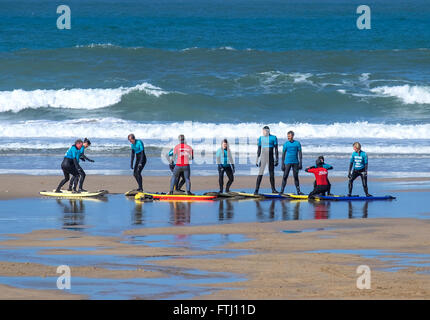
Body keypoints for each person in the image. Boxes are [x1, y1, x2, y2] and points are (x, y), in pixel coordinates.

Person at [254, 126, 279, 195]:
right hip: (263, 158)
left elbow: (276, 149)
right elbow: (259, 150)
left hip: (271, 158)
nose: (263, 132)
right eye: (263, 131)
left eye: (264, 131)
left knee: (271, 174)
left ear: (268, 131)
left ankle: (273, 189)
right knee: (260, 173)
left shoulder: (274, 138)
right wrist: (257, 159)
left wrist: (277, 159)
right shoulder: (261, 138)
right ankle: (256, 190)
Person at [279, 130, 303, 195]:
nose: (288, 137)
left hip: (295, 162)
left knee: (296, 177)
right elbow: (283, 155)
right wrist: (282, 164)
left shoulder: (297, 143)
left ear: (292, 136)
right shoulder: (286, 144)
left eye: (289, 136)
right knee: (285, 176)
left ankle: (298, 191)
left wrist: (300, 163)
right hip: (287, 162)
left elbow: (300, 154)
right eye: (287, 136)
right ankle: (281, 191)